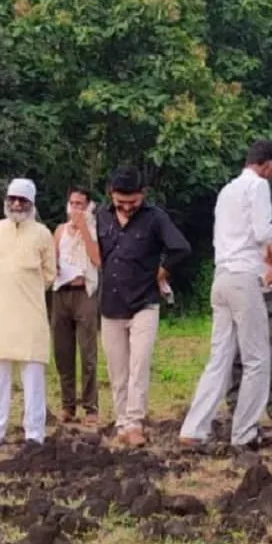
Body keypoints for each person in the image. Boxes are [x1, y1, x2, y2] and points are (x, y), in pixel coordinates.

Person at [178, 140, 272, 450]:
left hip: (221, 276)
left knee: (220, 357)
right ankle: (244, 432)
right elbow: (260, 232)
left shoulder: (227, 190)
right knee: (257, 358)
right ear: (268, 165)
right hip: (244, 276)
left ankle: (194, 428)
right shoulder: (258, 187)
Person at [96, 166, 191, 447]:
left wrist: (164, 270)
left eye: (132, 202)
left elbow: (180, 247)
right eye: (120, 202)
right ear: (111, 195)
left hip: (144, 302)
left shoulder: (155, 218)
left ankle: (135, 421)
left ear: (143, 195)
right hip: (110, 303)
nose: (126, 208)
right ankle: (121, 421)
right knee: (117, 368)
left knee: (139, 363)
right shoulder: (100, 217)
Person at [0, 179, 56, 447]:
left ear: (32, 204)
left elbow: (49, 274)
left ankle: (34, 434)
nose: (16, 204)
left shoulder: (43, 234)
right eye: (12, 199)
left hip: (31, 313)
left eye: (22, 200)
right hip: (1, 312)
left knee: (33, 376)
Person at [51, 186, 102, 425]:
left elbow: (98, 259)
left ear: (89, 206)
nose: (75, 208)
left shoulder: (94, 229)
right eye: (72, 203)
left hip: (85, 293)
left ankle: (91, 406)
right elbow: (50, 259)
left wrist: (82, 227)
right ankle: (67, 405)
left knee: (87, 352)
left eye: (80, 204)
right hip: (61, 293)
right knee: (63, 352)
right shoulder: (60, 230)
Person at [226, 239, 272, 423]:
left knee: (266, 354)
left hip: (262, 298)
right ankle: (235, 408)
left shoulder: (270, 236)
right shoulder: (235, 237)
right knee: (235, 353)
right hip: (239, 298)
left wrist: (260, 283)